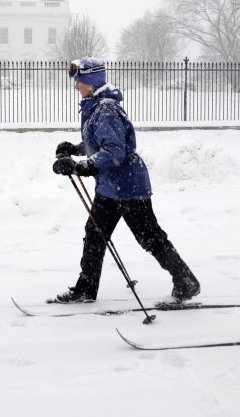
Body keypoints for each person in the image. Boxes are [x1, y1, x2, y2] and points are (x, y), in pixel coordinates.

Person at [50, 57, 200, 303]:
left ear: (91, 80)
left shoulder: (106, 108)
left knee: (150, 237)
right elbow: (102, 142)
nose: (76, 85)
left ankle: (186, 282)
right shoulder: (95, 105)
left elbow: (114, 152)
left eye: (79, 80)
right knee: (95, 235)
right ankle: (86, 288)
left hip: (128, 185)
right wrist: (76, 149)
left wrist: (80, 167)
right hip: (110, 186)